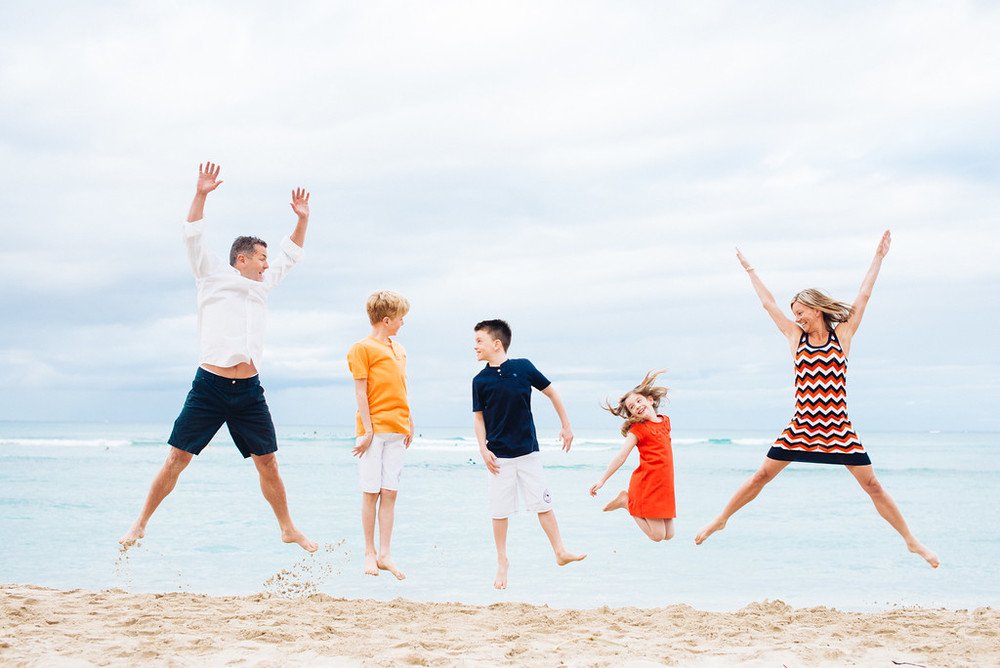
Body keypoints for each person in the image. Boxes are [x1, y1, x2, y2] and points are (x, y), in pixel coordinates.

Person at [694, 231, 939, 568]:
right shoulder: (796, 338)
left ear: (816, 308)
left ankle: (912, 541)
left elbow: (864, 294)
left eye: (800, 311)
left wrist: (878, 257)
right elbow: (768, 305)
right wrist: (750, 270)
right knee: (759, 477)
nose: (796, 317)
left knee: (874, 486)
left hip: (839, 429)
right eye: (793, 312)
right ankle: (721, 519)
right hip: (802, 427)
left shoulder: (843, 335)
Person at [119, 162, 317, 553]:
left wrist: (302, 220)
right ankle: (140, 524)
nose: (266, 264)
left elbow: (291, 255)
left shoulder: (264, 284)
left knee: (268, 462)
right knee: (177, 458)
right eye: (261, 258)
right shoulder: (209, 273)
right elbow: (192, 234)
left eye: (266, 259)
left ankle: (288, 528)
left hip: (248, 390)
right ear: (241, 259)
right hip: (209, 386)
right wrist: (202, 194)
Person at [472, 319, 585, 590]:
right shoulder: (480, 380)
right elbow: (479, 418)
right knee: (499, 512)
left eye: (479, 341)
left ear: (496, 344)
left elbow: (552, 393)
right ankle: (502, 561)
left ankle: (559, 551)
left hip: (528, 453)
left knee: (543, 504)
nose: (474, 346)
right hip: (499, 457)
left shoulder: (523, 368)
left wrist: (566, 426)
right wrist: (483, 448)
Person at [347, 291, 414, 580]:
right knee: (371, 492)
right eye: (400, 319)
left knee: (390, 492)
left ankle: (386, 554)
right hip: (373, 431)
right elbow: (361, 391)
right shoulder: (361, 348)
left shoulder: (399, 350)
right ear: (386, 320)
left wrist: (410, 420)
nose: (402, 324)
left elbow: (402, 385)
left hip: (398, 428)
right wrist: (368, 430)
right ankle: (369, 553)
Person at [589, 370, 676, 542]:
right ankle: (625, 501)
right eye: (632, 407)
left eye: (639, 401)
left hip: (664, 485)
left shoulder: (665, 421)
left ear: (650, 400)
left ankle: (626, 502)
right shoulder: (637, 431)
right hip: (648, 485)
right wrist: (602, 480)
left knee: (669, 535)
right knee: (657, 536)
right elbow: (621, 457)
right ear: (633, 414)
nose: (637, 406)